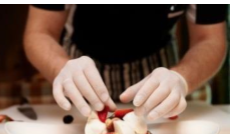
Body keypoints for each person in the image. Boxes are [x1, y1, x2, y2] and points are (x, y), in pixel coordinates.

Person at [24, 4, 227, 120]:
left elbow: (210, 38)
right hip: (81, 66)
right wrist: (61, 68)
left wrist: (182, 78)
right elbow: (40, 32)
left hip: (160, 67)